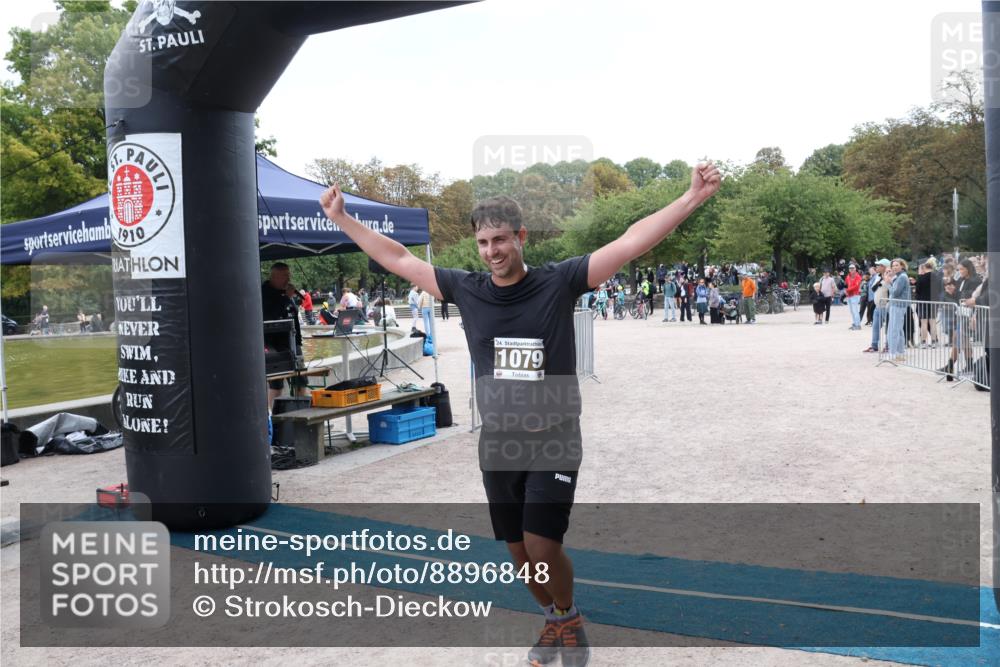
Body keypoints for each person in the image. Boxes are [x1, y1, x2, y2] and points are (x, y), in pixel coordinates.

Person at [319, 161, 722, 667]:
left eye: (501, 240)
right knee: (520, 558)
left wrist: (692, 199)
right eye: (484, 243)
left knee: (542, 544)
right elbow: (397, 257)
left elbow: (629, 241)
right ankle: (556, 620)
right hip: (499, 443)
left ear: (521, 236)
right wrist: (343, 218)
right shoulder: (467, 289)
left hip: (553, 435)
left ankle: (568, 616)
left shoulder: (560, 282)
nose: (493, 252)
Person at [262, 262, 305, 409]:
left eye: (288, 275)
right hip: (272, 343)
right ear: (274, 276)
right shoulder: (264, 292)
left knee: (301, 379)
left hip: (292, 342)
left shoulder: (286, 293)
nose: (288, 279)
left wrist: (298, 342)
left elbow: (292, 316)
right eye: (284, 276)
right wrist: (286, 297)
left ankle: (302, 412)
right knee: (276, 382)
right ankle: (272, 418)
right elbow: (270, 315)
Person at [886, 258, 911, 362]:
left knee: (893, 330)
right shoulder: (900, 276)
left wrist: (888, 283)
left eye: (896, 265)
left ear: (902, 266)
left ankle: (892, 353)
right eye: (893, 266)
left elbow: (895, 293)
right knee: (898, 330)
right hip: (898, 305)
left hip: (898, 306)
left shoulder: (902, 277)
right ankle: (900, 352)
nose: (894, 267)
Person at [863, 259, 890, 353]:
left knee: (888, 327)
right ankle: (874, 345)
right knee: (875, 326)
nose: (876, 267)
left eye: (878, 265)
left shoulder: (889, 276)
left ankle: (888, 345)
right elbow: (873, 288)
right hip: (878, 306)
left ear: (884, 266)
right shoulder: (878, 277)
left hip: (886, 306)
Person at [844, 264, 863, 330]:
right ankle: (855, 323)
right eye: (850, 268)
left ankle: (858, 325)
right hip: (849, 295)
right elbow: (846, 284)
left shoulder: (858, 276)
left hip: (855, 295)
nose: (851, 269)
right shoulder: (848, 276)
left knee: (855, 311)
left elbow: (856, 286)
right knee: (852, 311)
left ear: (855, 269)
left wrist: (847, 290)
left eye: (852, 268)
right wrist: (845, 290)